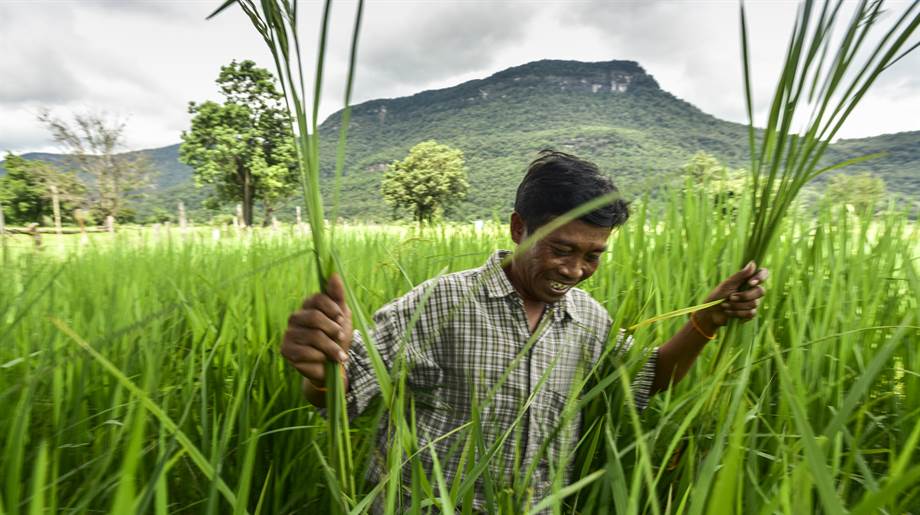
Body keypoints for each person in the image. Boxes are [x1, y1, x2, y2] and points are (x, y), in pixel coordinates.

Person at [280, 150, 768, 510]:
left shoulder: (588, 319)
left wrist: (707, 320)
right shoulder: (441, 302)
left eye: (593, 255)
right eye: (562, 249)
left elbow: (645, 379)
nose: (575, 270)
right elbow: (342, 397)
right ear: (519, 228)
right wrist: (321, 364)